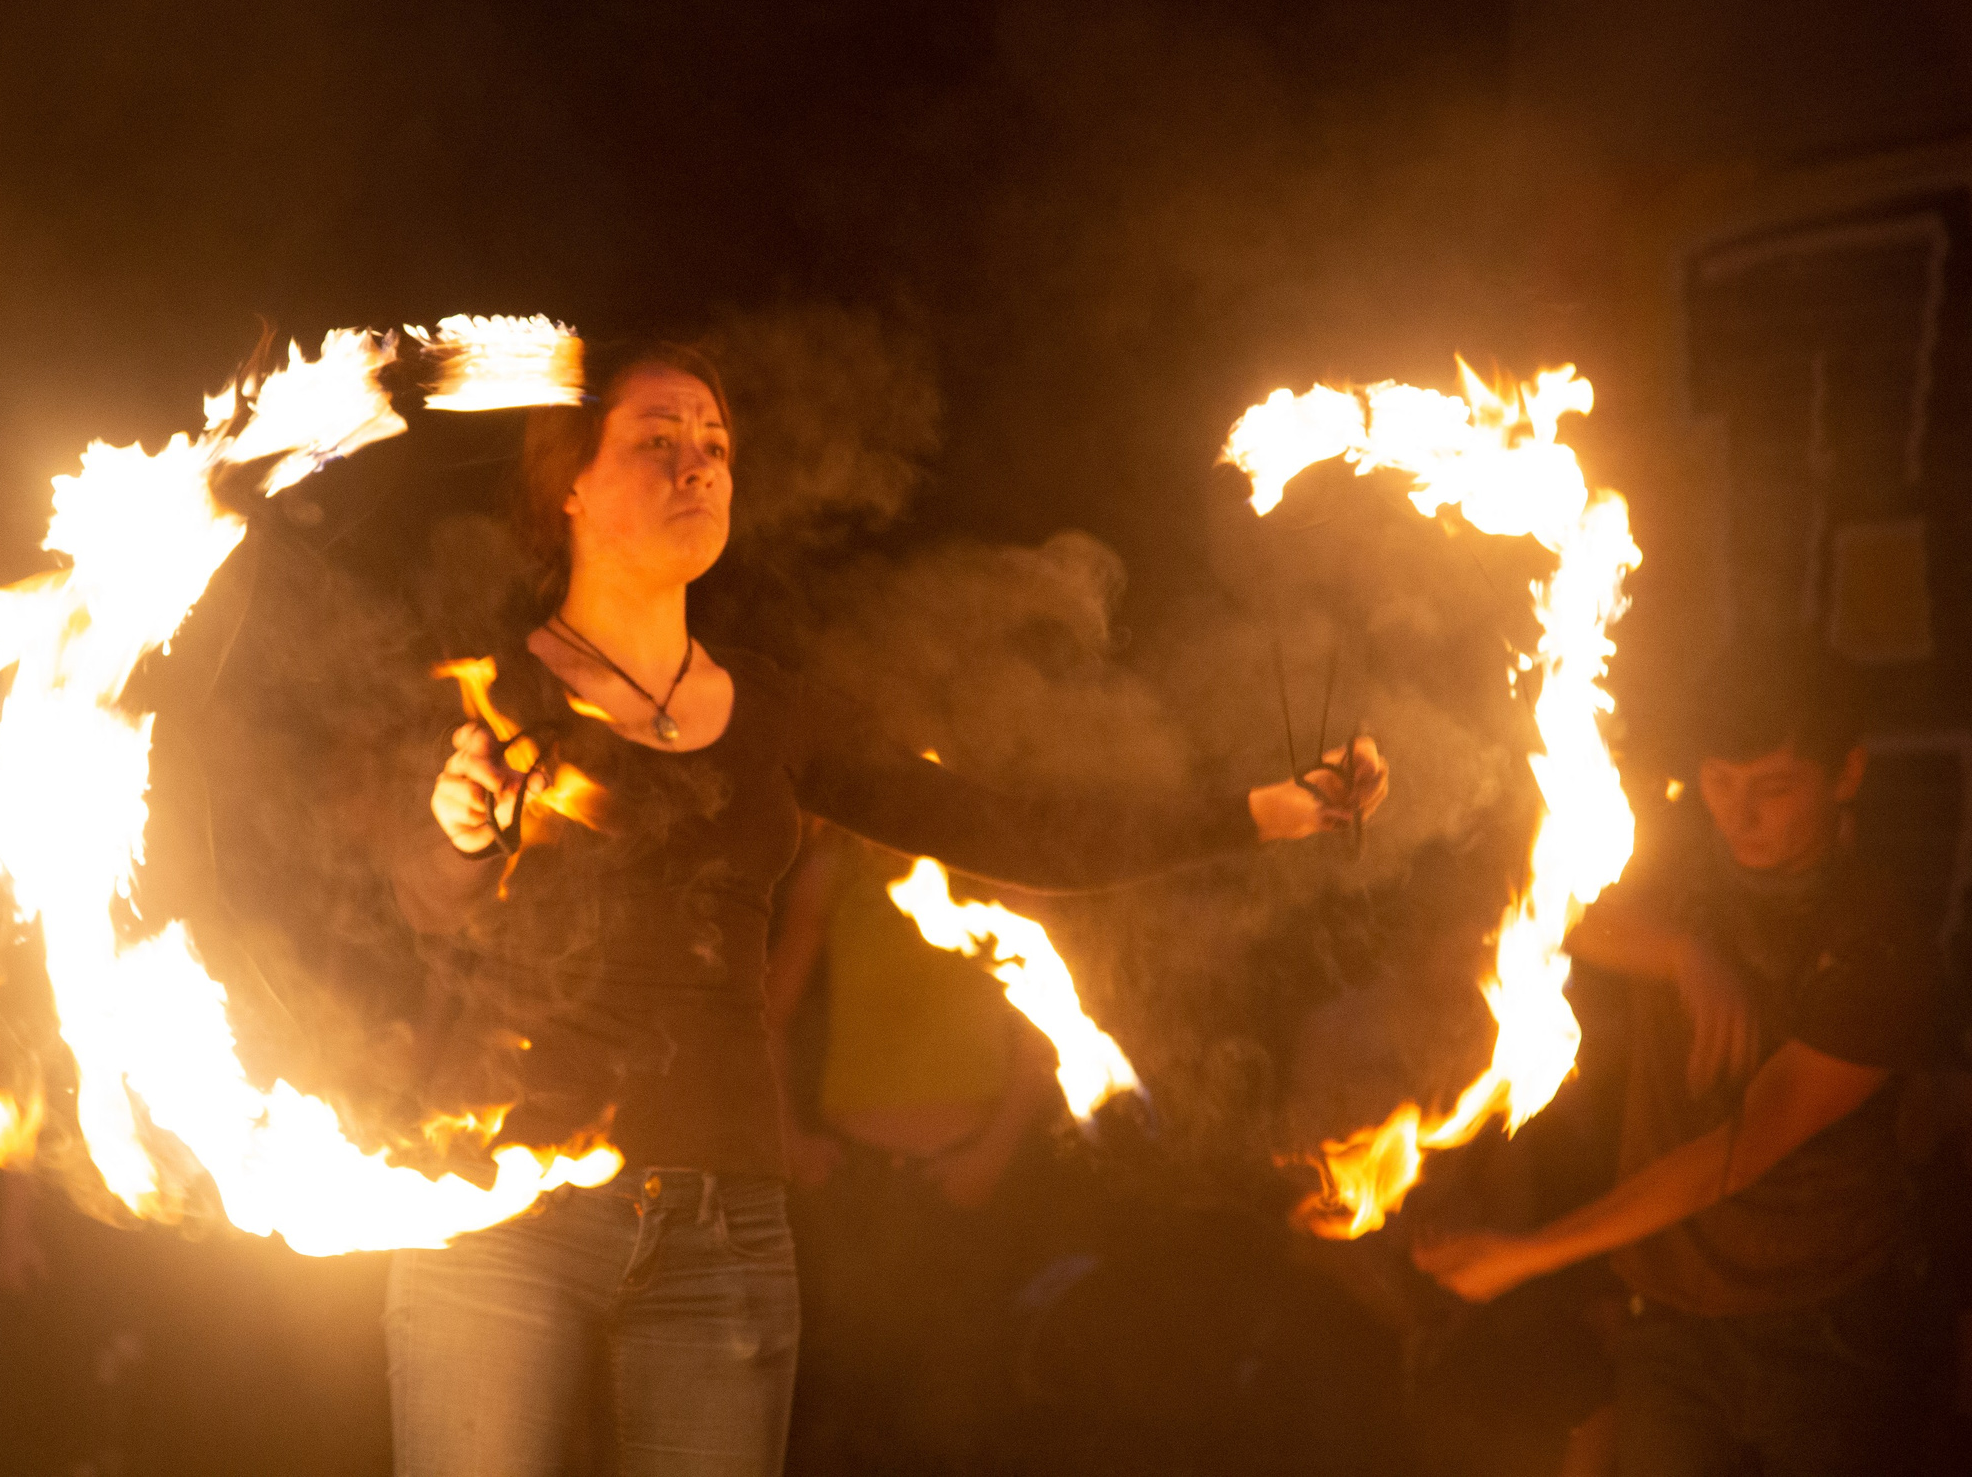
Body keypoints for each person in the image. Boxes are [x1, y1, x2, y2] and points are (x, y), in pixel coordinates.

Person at [385, 339, 1389, 1477]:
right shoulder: (488, 687)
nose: (697, 465)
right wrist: (460, 836)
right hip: (501, 1214)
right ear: (568, 483)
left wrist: (1264, 812)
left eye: (714, 444)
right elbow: (417, 900)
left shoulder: (773, 710)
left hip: (722, 1231)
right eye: (656, 441)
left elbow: (1016, 835)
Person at [1414, 644, 1947, 1476]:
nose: (1740, 817)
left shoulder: (1879, 946)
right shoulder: (1678, 871)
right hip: (1668, 1325)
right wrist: (1681, 953)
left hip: (1827, 1329)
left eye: (1774, 788)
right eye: (1721, 782)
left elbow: (1737, 1150)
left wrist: (1526, 1254)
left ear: (1846, 774)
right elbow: (1548, 912)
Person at [767, 820, 1067, 1475]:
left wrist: (991, 1155)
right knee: (839, 1404)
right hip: (853, 1185)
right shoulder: (835, 865)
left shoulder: (996, 864)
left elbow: (1044, 1031)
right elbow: (767, 1015)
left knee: (953, 1415)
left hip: (962, 1183)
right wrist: (791, 1139)